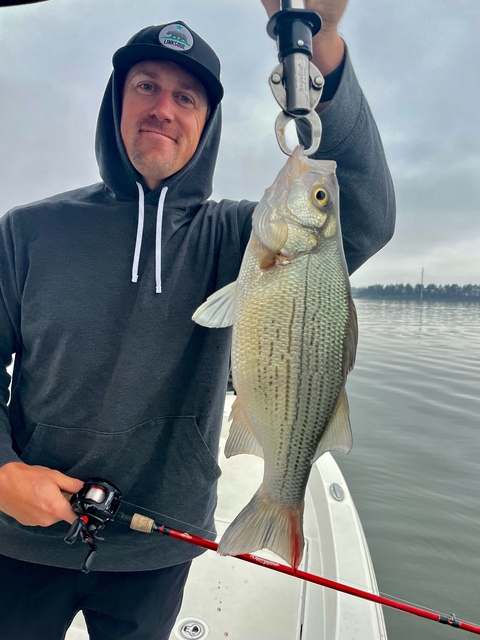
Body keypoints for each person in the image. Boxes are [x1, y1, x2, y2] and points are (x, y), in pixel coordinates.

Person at [0, 1, 395, 638]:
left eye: (187, 97)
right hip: (20, 538)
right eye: (146, 86)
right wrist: (2, 472)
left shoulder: (240, 237)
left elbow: (368, 216)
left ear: (207, 124)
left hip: (159, 545)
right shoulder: (28, 231)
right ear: (116, 102)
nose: (163, 107)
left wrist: (319, 39)